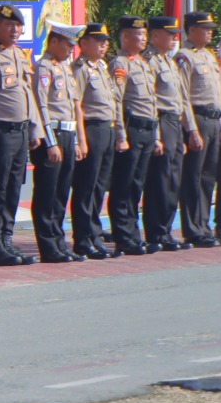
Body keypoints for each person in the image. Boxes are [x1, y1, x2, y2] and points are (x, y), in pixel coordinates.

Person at [0, 4, 44, 267]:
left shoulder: (19, 55)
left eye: (18, 25)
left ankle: (7, 239)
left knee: (14, 189)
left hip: (21, 131)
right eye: (9, 25)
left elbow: (27, 94)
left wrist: (34, 128)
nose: (14, 30)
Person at [31, 23, 86, 263]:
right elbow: (41, 105)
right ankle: (48, 245)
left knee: (62, 192)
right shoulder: (43, 67)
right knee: (47, 192)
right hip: (51, 135)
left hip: (66, 134)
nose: (71, 50)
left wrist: (74, 140)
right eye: (68, 45)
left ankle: (59, 241)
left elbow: (72, 108)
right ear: (54, 42)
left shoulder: (64, 67)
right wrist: (50, 142)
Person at [143, 16, 199, 252]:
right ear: (155, 35)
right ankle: (156, 232)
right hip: (162, 121)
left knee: (173, 179)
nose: (175, 37)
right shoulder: (150, 61)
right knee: (160, 178)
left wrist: (190, 129)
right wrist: (157, 134)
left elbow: (183, 98)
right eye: (170, 33)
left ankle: (165, 230)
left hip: (175, 123)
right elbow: (151, 101)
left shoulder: (170, 62)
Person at [108, 16, 159, 256]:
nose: (143, 38)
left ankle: (134, 235)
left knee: (137, 185)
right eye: (139, 35)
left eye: (144, 35)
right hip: (131, 129)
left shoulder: (144, 63)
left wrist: (156, 135)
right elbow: (117, 101)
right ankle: (123, 236)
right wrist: (120, 134)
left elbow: (152, 101)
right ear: (125, 37)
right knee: (124, 184)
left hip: (148, 129)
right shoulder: (120, 64)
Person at [70, 23, 120, 260]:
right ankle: (82, 239)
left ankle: (95, 235)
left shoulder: (101, 66)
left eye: (106, 41)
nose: (104, 45)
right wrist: (81, 139)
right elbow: (76, 104)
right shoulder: (80, 68)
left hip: (107, 128)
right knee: (86, 186)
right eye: (99, 41)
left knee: (100, 187)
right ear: (84, 42)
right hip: (91, 129)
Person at [176, 10, 221, 247]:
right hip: (198, 119)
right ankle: (192, 229)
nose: (210, 31)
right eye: (205, 28)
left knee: (208, 177)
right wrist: (191, 129)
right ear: (191, 30)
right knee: (193, 176)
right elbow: (183, 95)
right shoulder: (184, 57)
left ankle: (203, 225)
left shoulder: (209, 56)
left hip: (214, 120)